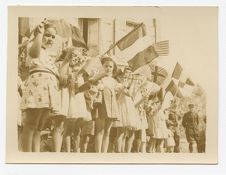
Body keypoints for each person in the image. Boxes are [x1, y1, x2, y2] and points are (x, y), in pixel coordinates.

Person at [20, 21, 62, 152]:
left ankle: (35, 155)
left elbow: (57, 74)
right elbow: (34, 54)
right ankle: (26, 156)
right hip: (38, 87)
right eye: (48, 35)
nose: (51, 39)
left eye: (53, 37)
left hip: (48, 90)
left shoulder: (48, 55)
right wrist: (39, 34)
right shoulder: (33, 45)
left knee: (39, 126)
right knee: (31, 124)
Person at [94, 57, 121, 153]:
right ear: (102, 67)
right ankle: (98, 153)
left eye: (110, 66)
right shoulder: (99, 78)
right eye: (106, 66)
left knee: (107, 131)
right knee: (100, 130)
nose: (108, 68)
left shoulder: (114, 81)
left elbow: (118, 92)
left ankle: (104, 152)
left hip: (112, 105)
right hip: (102, 104)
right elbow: (96, 88)